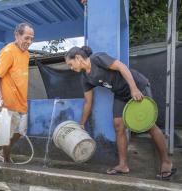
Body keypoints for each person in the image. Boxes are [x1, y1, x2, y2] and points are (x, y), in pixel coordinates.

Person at [64, 46, 176, 179]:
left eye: (70, 64)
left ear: (78, 58)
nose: (71, 68)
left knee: (149, 124)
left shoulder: (97, 59)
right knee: (118, 125)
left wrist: (134, 89)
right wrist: (81, 124)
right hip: (120, 94)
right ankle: (123, 165)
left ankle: (166, 162)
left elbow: (122, 67)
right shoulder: (85, 78)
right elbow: (88, 102)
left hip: (136, 85)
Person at [0, 22, 34, 163]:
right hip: (8, 102)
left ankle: (3, 153)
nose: (29, 42)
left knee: (21, 132)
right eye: (27, 38)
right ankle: (6, 160)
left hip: (21, 102)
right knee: (6, 134)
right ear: (17, 35)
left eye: (31, 39)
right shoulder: (8, 51)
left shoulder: (27, 54)